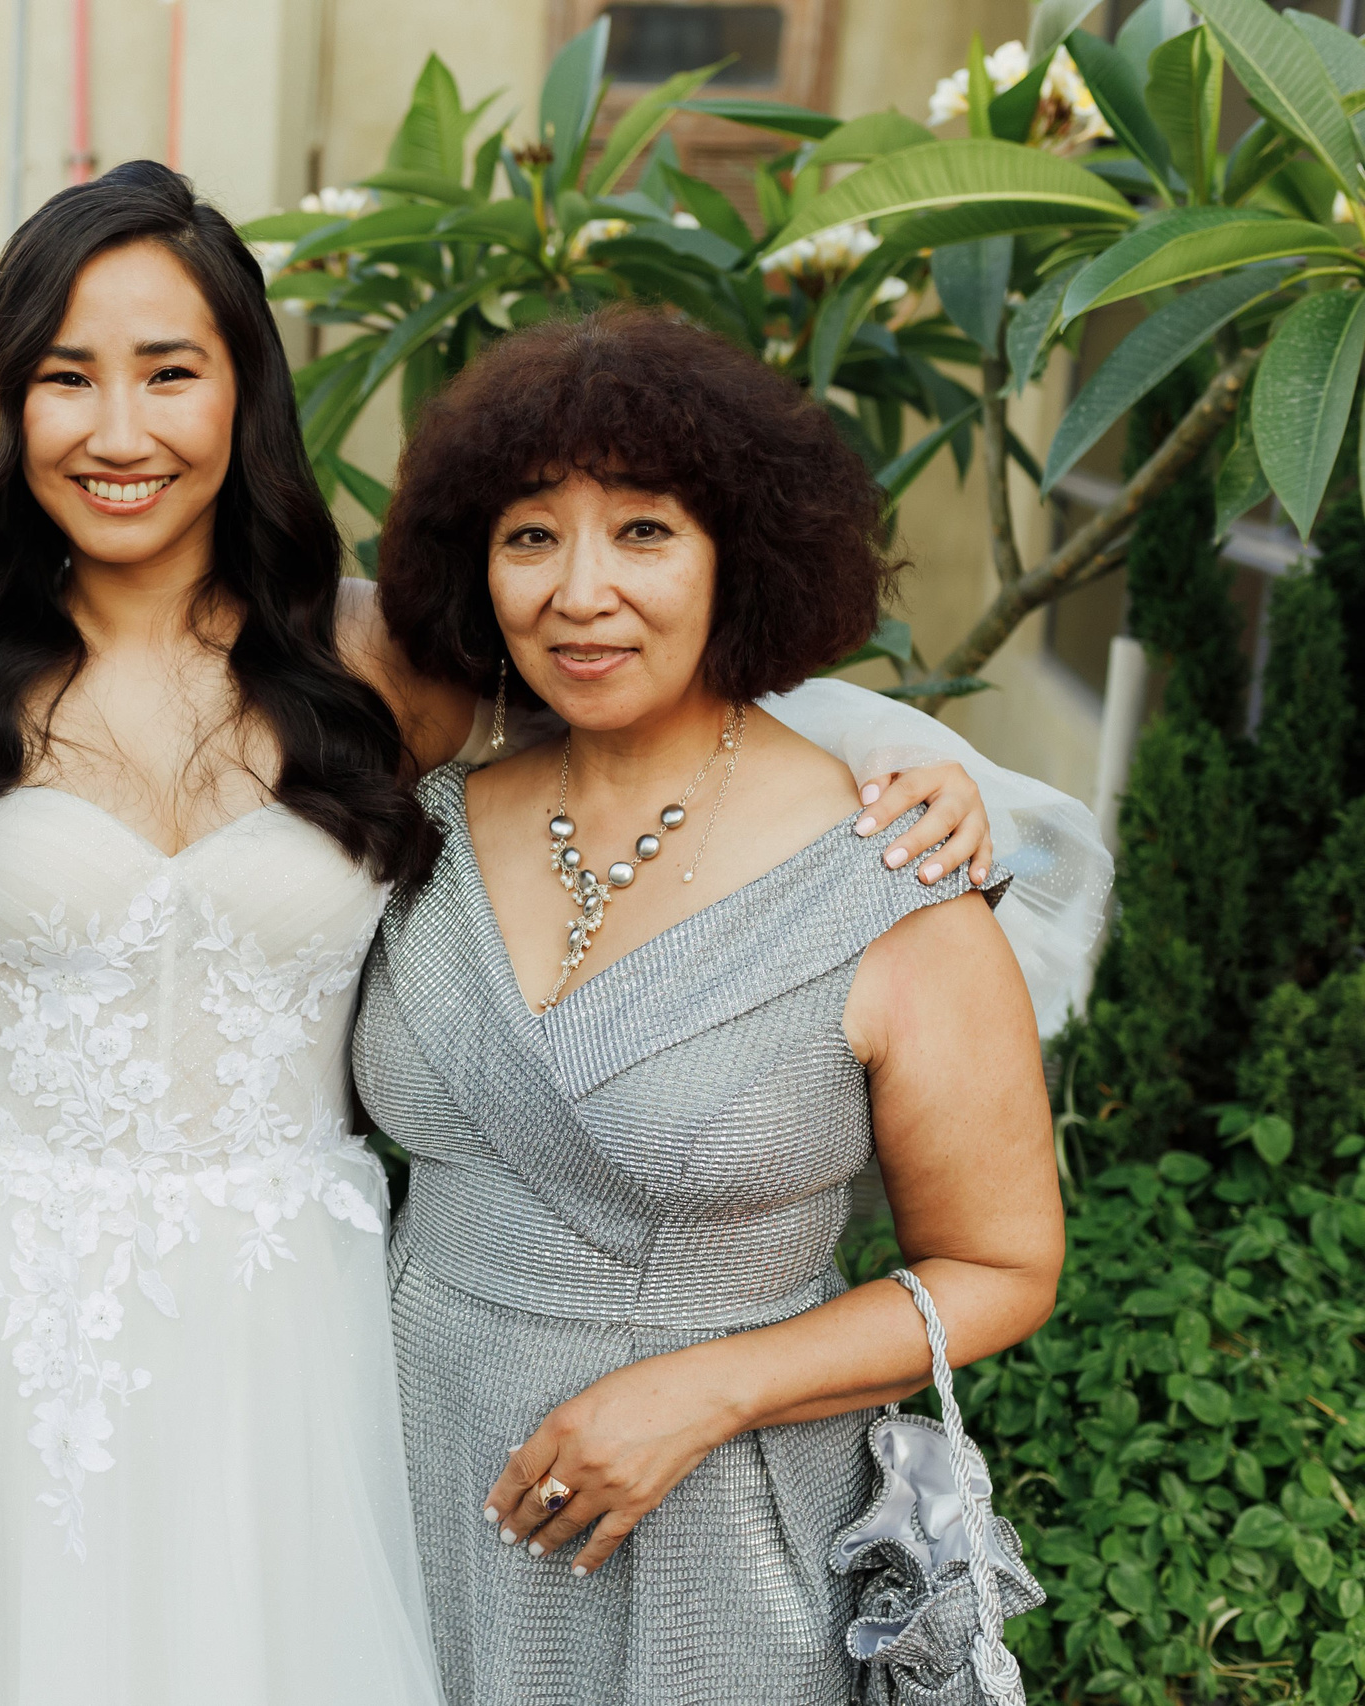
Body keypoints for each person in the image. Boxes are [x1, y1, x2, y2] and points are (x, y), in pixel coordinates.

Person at [0, 165, 1005, 1706]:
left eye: (172, 372)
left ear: (245, 392)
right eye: (65, 378)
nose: (121, 431)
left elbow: (650, 699)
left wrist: (919, 767)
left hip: (292, 1335)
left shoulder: (378, 660)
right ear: (6, 406)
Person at [354, 308, 1080, 1705]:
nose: (579, 591)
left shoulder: (893, 880)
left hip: (711, 1533)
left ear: (734, 551)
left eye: (642, 531)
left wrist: (708, 1387)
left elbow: (1002, 1265)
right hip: (406, 1460)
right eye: (528, 536)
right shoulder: (428, 823)